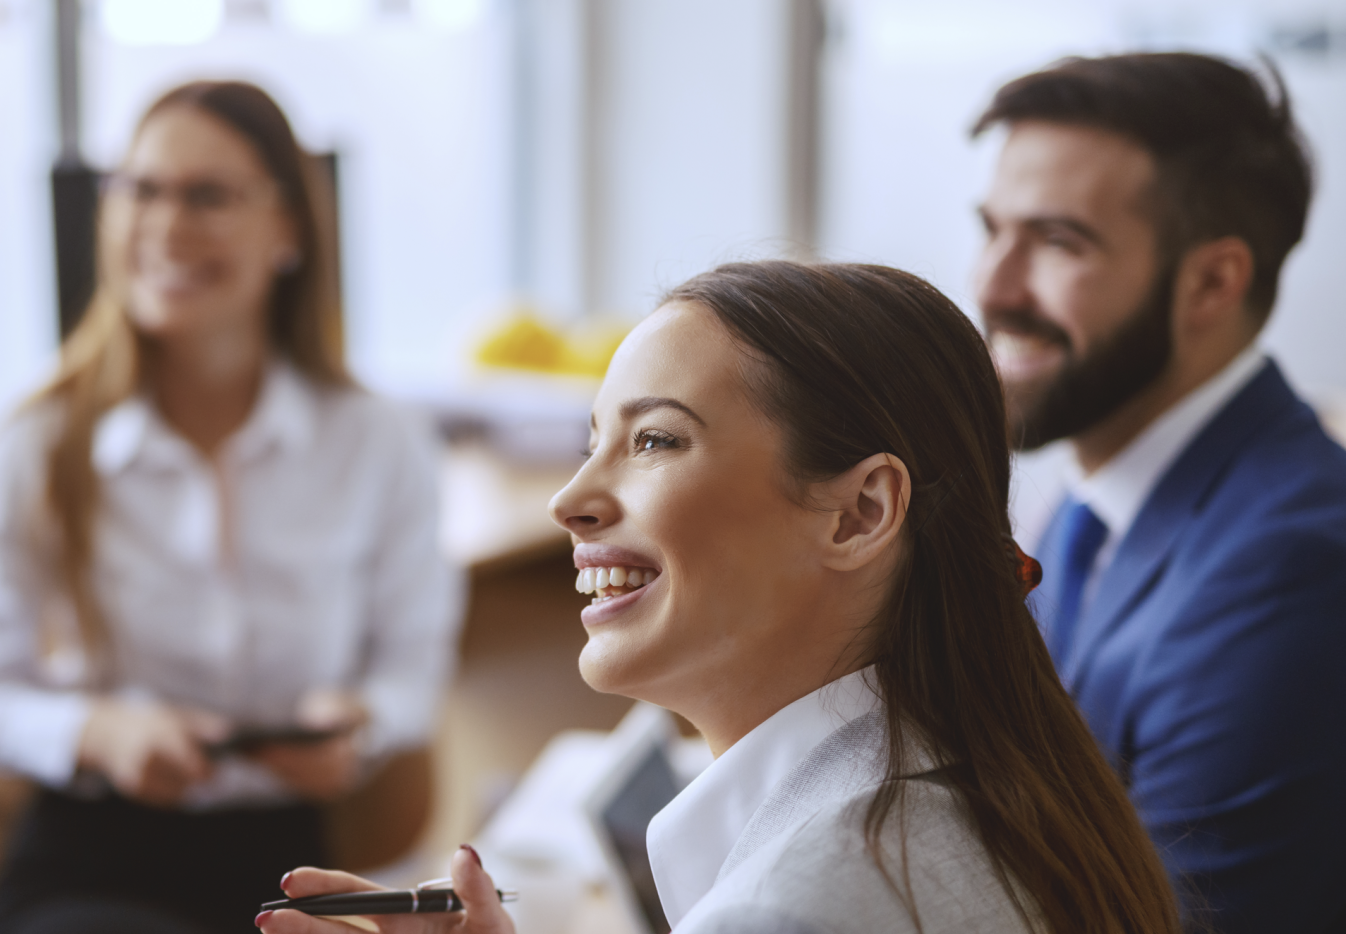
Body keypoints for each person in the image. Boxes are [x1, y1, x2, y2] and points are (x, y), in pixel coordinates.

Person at [258, 261, 1182, 934]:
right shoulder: (974, 793)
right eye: (594, 440)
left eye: (655, 442)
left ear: (862, 513)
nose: (569, 499)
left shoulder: (800, 903)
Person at [0, 80, 463, 934]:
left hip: (290, 858)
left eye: (207, 195)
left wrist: (357, 724)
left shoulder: (380, 441)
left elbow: (414, 673)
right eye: (140, 190)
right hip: (87, 859)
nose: (168, 224)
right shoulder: (34, 446)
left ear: (288, 228)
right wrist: (99, 731)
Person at [971, 53, 1346, 932]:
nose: (993, 284)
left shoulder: (1291, 567)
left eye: (1058, 242)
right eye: (992, 230)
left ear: (1213, 282)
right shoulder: (1087, 507)